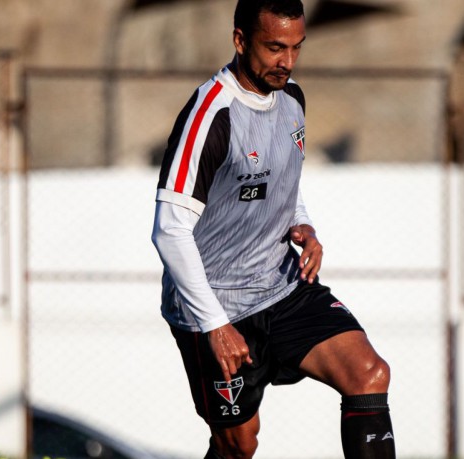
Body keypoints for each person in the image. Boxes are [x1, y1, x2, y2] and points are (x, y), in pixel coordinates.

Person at [151, 1, 395, 457]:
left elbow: (284, 179)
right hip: (216, 307)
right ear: (240, 40)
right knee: (239, 445)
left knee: (369, 373)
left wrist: (303, 223)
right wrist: (215, 325)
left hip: (283, 286)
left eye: (296, 48)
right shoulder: (211, 116)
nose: (287, 61)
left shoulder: (293, 99)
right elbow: (169, 229)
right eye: (274, 48)